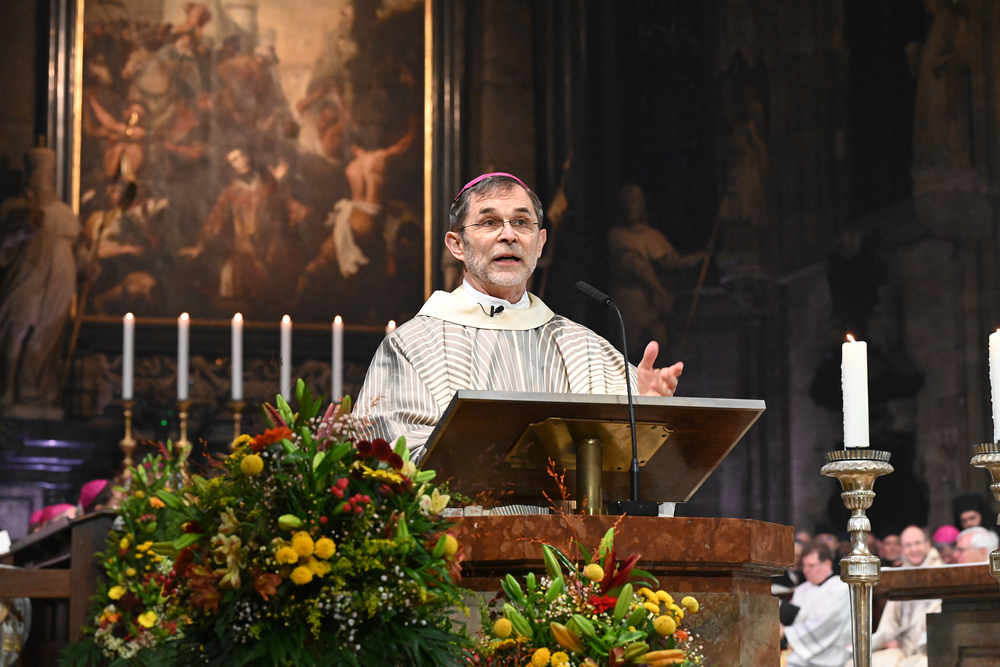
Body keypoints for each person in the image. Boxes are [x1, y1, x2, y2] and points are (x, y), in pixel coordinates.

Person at [353, 173, 684, 458]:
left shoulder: (582, 347)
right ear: (457, 245)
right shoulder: (412, 346)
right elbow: (387, 457)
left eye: (522, 222)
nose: (508, 235)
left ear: (539, 244)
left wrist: (645, 408)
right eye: (489, 222)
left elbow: (625, 463)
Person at [845, 526, 942, 667]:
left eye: (917, 543)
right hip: (902, 647)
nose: (913, 549)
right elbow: (889, 623)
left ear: (928, 544)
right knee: (856, 663)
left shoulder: (941, 574)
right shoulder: (901, 575)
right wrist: (878, 642)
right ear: (902, 549)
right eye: (908, 545)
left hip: (930, 648)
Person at [781, 542, 852, 667]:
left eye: (811, 565)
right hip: (799, 649)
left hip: (829, 654)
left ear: (827, 564)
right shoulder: (801, 589)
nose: (806, 570)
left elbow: (827, 623)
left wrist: (787, 632)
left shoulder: (840, 587)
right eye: (804, 565)